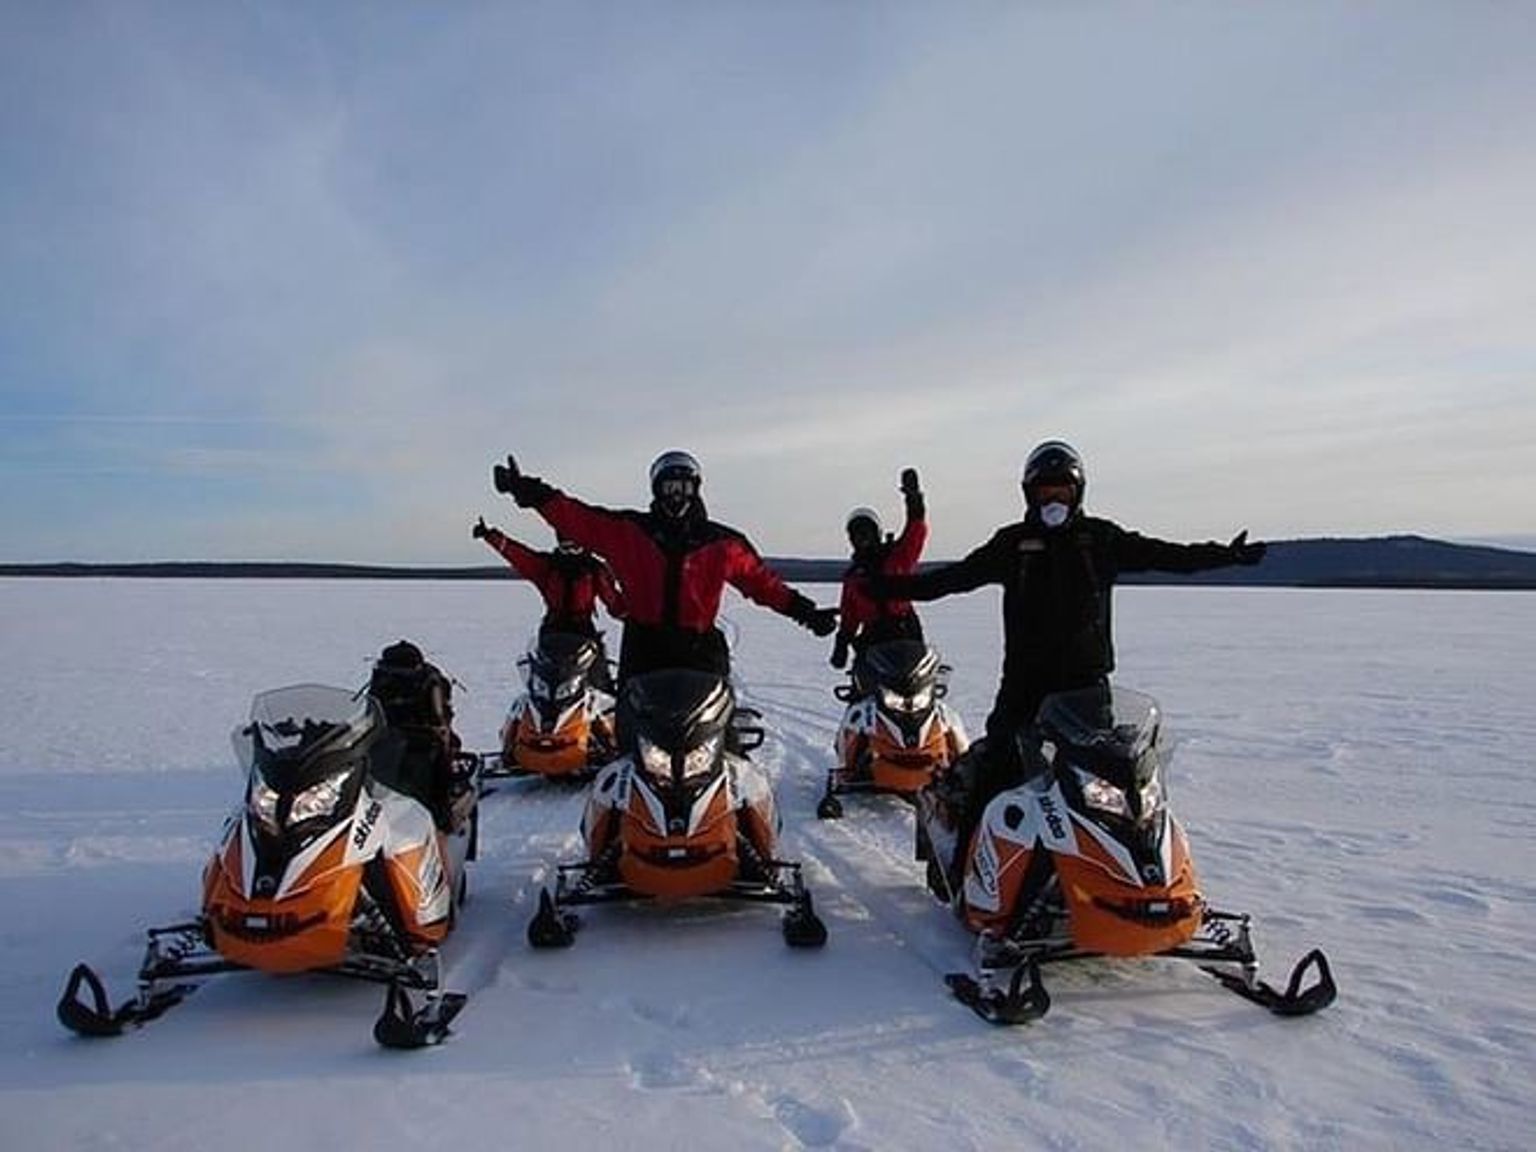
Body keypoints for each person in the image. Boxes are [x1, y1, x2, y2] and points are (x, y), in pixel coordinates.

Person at [870, 439, 1267, 852]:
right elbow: (951, 579)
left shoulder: (1100, 540)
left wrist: (1226, 555)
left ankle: (1102, 871)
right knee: (997, 769)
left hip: (1087, 688)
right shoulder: (1013, 544)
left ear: (1077, 492)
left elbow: (1167, 555)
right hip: (1025, 684)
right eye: (1046, 491)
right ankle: (962, 862)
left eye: (1062, 490)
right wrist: (891, 587)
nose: (1054, 499)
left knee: (1106, 790)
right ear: (1031, 493)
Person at [492, 450, 838, 684]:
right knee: (631, 740)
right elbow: (578, 518)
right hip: (645, 648)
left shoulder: (722, 543)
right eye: (669, 487)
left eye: (683, 487)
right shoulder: (629, 531)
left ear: (695, 489)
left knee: (721, 741)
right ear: (656, 490)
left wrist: (806, 613)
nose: (676, 495)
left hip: (699, 650)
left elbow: (764, 585)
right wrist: (529, 491)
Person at [473, 518, 625, 692]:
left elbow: (612, 598)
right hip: (553, 631)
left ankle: (605, 704)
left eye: (575, 547)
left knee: (599, 681)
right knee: (545, 680)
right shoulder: (548, 566)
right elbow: (520, 555)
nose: (570, 553)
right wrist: (491, 536)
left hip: (583, 632)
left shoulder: (594, 569)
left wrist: (629, 615)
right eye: (565, 547)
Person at [832, 467, 929, 683]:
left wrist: (914, 499)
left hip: (907, 638)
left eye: (866, 532)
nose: (862, 538)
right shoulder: (853, 578)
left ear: (876, 533)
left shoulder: (897, 557)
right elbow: (849, 616)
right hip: (873, 643)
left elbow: (916, 532)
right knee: (864, 692)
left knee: (918, 690)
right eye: (857, 534)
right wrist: (841, 644)